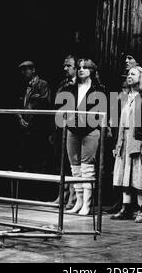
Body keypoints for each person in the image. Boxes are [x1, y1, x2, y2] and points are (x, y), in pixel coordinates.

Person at [60, 58, 106, 215]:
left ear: (91, 70)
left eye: (84, 67)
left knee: (87, 168)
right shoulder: (69, 88)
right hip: (73, 129)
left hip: (89, 130)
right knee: (75, 168)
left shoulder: (99, 89)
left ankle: (87, 203)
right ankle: (78, 201)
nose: (80, 70)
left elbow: (102, 110)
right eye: (79, 67)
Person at [110, 66, 142, 223]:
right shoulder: (124, 96)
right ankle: (125, 208)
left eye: (133, 74)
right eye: (128, 74)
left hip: (138, 139)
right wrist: (117, 144)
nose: (129, 76)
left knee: (138, 175)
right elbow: (118, 123)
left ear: (141, 76)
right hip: (124, 138)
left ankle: (141, 209)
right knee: (124, 174)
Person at [50, 55, 77, 208]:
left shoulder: (79, 86)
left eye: (68, 65)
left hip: (72, 128)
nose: (65, 68)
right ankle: (63, 194)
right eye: (64, 65)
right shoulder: (62, 84)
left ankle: (73, 196)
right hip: (60, 127)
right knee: (61, 163)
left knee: (70, 162)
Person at [16, 60, 52, 173]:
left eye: (26, 69)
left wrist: (30, 122)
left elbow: (44, 104)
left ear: (33, 70)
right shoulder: (22, 86)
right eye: (22, 70)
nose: (24, 72)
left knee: (38, 160)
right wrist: (20, 118)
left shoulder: (42, 84)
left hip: (38, 128)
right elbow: (16, 105)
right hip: (24, 129)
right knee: (24, 160)